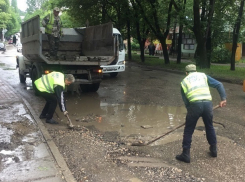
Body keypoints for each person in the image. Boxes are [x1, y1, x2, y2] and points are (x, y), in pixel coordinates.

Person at [176, 64, 227, 163]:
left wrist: (191, 113)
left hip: (194, 105)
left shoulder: (184, 81)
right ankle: (213, 150)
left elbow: (186, 101)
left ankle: (186, 155)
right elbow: (219, 84)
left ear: (186, 73)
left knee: (189, 129)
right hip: (208, 105)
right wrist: (223, 99)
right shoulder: (203, 75)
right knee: (209, 126)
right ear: (195, 70)